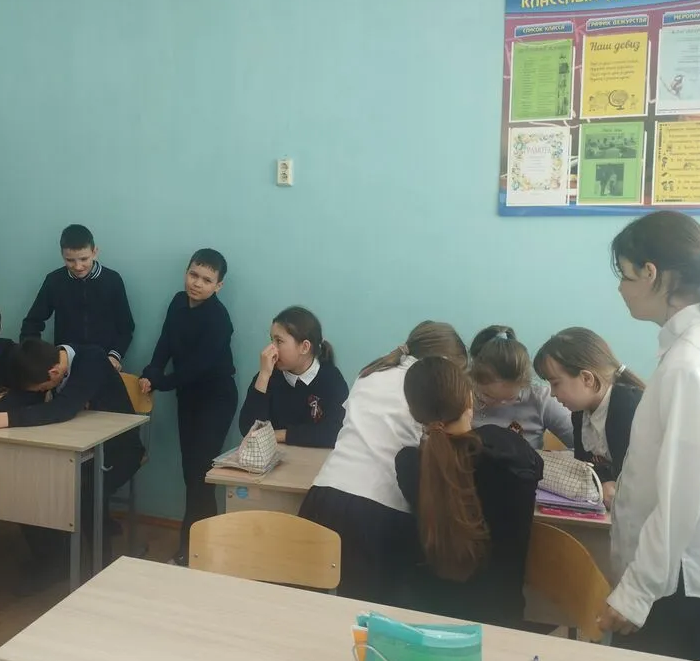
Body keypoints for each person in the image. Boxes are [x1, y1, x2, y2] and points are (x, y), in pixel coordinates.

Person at [597, 211, 700, 661]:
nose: (621, 289)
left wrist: (637, 592)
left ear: (650, 273)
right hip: (693, 575)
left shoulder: (692, 361)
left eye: (624, 276)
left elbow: (682, 495)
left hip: (680, 582)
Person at [299, 321, 467, 605]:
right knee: (368, 616)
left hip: (325, 495)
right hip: (379, 512)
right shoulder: (428, 384)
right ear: (443, 362)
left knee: (313, 606)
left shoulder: (371, 372)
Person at [0, 339, 145, 581]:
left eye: (41, 388)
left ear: (54, 373)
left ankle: (102, 570)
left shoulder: (92, 359)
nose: (39, 392)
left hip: (119, 449)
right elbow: (20, 397)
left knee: (86, 493)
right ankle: (54, 561)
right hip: (74, 448)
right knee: (33, 484)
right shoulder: (42, 363)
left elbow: (63, 408)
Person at [395, 356, 543, 627]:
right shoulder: (510, 450)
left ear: (414, 412)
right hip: (501, 620)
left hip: (428, 619)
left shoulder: (409, 464)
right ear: (469, 399)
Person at [140, 249, 236, 565]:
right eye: (193, 275)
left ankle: (191, 549)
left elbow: (197, 367)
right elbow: (166, 342)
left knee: (200, 474)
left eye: (206, 280)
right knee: (191, 474)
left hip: (216, 397)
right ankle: (202, 546)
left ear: (218, 286)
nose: (197, 283)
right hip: (188, 396)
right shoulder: (178, 303)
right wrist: (152, 371)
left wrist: (161, 382)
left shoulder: (219, 319)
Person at [533, 327, 645, 507]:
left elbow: (634, 476)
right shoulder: (580, 413)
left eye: (556, 383)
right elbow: (584, 466)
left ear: (587, 378)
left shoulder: (627, 407)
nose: (552, 393)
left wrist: (608, 483)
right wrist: (604, 481)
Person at [20, 224, 135, 371]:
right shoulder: (54, 281)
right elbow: (32, 322)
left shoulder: (112, 280)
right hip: (66, 363)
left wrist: (115, 355)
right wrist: (35, 356)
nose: (78, 266)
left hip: (104, 361)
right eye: (70, 260)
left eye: (84, 259)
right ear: (62, 255)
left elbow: (126, 327)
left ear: (95, 252)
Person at [238, 306, 348, 448]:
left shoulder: (331, 379)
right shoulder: (269, 375)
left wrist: (281, 435)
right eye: (271, 340)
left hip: (316, 457)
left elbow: (335, 432)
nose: (271, 349)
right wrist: (263, 376)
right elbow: (248, 429)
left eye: (279, 341)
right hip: (277, 455)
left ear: (305, 347)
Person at [469, 325, 574, 450]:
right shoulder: (462, 397)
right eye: (488, 396)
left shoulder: (540, 398)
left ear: (525, 384)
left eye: (510, 398)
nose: (500, 404)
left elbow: (583, 446)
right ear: (473, 381)